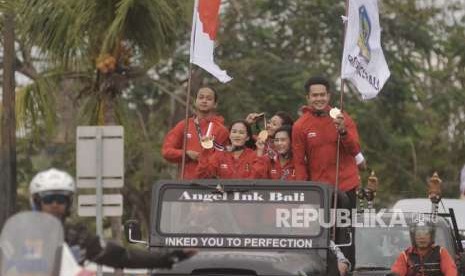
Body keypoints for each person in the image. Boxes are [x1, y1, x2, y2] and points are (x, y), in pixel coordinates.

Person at [29, 168, 193, 269]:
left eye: (61, 199)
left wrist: (169, 256)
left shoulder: (77, 236)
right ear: (37, 202)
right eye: (49, 199)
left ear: (69, 202)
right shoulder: (21, 234)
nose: (55, 204)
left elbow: (122, 256)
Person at [292, 76, 361, 205]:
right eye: (315, 95)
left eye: (322, 95)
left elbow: (355, 150)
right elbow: (299, 162)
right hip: (319, 190)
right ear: (308, 98)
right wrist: (303, 190)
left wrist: (343, 131)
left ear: (328, 96)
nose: (319, 99)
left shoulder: (342, 117)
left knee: (345, 225)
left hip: (346, 186)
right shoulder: (299, 126)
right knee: (323, 225)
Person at [162, 87, 229, 179]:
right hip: (186, 184)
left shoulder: (221, 130)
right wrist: (186, 154)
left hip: (211, 184)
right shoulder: (184, 125)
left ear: (215, 104)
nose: (204, 101)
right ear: (195, 101)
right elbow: (166, 151)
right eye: (201, 97)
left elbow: (225, 159)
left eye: (209, 99)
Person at [390, 220, 457, 276]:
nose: (422, 237)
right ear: (413, 237)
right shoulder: (405, 255)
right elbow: (397, 270)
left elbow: (450, 270)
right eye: (418, 234)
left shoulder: (441, 252)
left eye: (426, 234)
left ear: (431, 237)